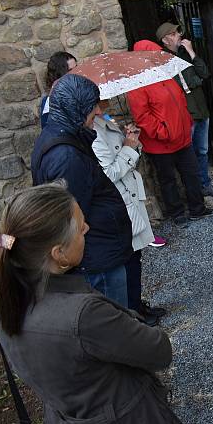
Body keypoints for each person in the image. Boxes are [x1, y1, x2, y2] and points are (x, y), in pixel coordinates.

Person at [0, 182, 213, 424]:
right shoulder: (82, 315)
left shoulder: (0, 302)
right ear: (59, 254)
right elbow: (158, 350)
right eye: (80, 230)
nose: (88, 228)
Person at [31, 74, 133, 307]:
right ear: (76, 109)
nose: (98, 112)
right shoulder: (66, 157)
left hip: (99, 251)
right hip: (96, 260)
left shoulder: (61, 135)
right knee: (111, 319)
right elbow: (74, 218)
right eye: (92, 106)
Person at [126, 39, 213, 227]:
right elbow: (143, 117)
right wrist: (163, 132)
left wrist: (187, 120)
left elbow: (181, 99)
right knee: (168, 180)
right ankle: (177, 214)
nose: (160, 56)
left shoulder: (164, 75)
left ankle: (197, 209)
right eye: (155, 54)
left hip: (181, 137)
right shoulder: (137, 84)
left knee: (191, 173)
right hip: (161, 143)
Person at [91, 104, 167, 324]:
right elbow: (108, 173)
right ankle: (133, 313)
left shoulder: (103, 122)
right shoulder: (93, 133)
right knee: (128, 259)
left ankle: (137, 305)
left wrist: (131, 140)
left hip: (130, 197)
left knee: (135, 258)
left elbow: (125, 154)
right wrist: (127, 147)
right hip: (121, 202)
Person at [156, 22, 213, 197]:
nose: (179, 35)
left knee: (202, 150)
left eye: (178, 31)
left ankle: (204, 184)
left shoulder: (185, 55)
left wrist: (192, 52)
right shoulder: (163, 60)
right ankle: (193, 190)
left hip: (201, 110)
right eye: (174, 33)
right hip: (186, 114)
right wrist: (195, 82)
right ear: (165, 39)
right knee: (188, 155)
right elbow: (180, 85)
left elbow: (204, 73)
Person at [39, 51, 77, 128]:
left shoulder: (82, 91)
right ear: (60, 74)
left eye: (77, 68)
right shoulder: (50, 102)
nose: (76, 72)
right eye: (70, 70)